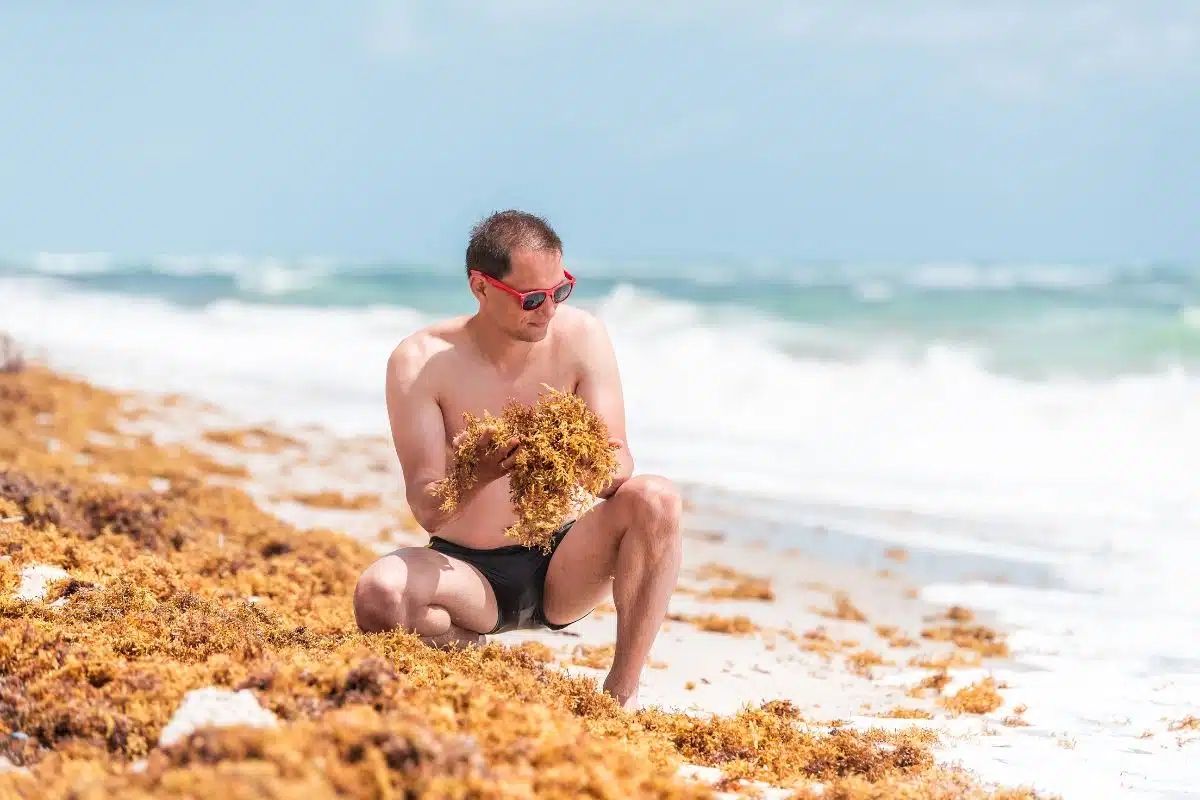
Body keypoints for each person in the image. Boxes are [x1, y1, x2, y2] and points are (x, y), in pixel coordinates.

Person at [352, 209, 684, 710]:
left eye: (560, 291)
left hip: (563, 566)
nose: (547, 310)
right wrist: (476, 476)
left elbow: (619, 456)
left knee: (656, 499)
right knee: (378, 595)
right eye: (530, 298)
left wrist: (589, 466)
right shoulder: (421, 361)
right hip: (468, 574)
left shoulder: (582, 337)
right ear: (480, 287)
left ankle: (620, 690)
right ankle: (472, 649)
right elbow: (425, 505)